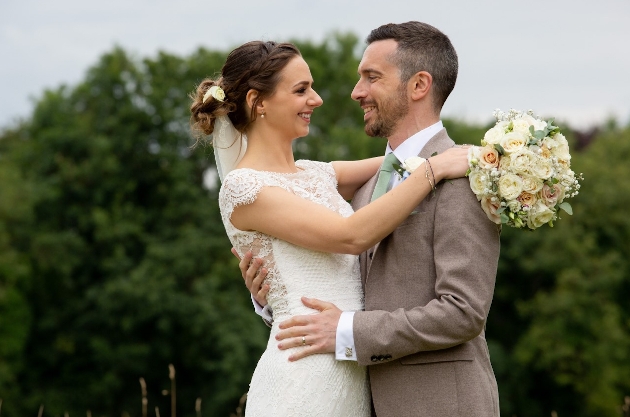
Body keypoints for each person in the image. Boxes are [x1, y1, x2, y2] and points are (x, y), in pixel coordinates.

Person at [190, 39, 470, 417]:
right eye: (301, 90)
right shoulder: (243, 188)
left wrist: (489, 159)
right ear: (259, 102)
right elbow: (351, 236)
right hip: (305, 377)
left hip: (351, 371)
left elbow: (400, 161)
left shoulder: (317, 173)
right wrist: (436, 170)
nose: (317, 99)